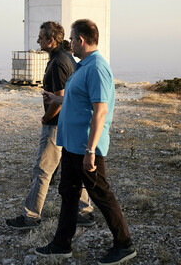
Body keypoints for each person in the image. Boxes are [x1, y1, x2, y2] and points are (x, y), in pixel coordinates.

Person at [36, 19, 136, 265]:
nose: (69, 43)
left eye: (71, 38)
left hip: (85, 148)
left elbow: (100, 111)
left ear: (81, 40)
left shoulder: (97, 68)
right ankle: (61, 245)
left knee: (101, 193)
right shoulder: (83, 65)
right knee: (68, 193)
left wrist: (91, 150)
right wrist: (55, 99)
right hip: (71, 145)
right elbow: (77, 99)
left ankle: (124, 245)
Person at [6, 21, 94, 230]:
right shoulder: (67, 59)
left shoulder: (57, 63)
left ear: (51, 40)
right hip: (69, 124)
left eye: (41, 37)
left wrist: (47, 118)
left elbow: (61, 97)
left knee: (43, 170)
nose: (37, 40)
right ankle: (85, 211)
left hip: (56, 125)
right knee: (73, 168)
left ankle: (31, 216)